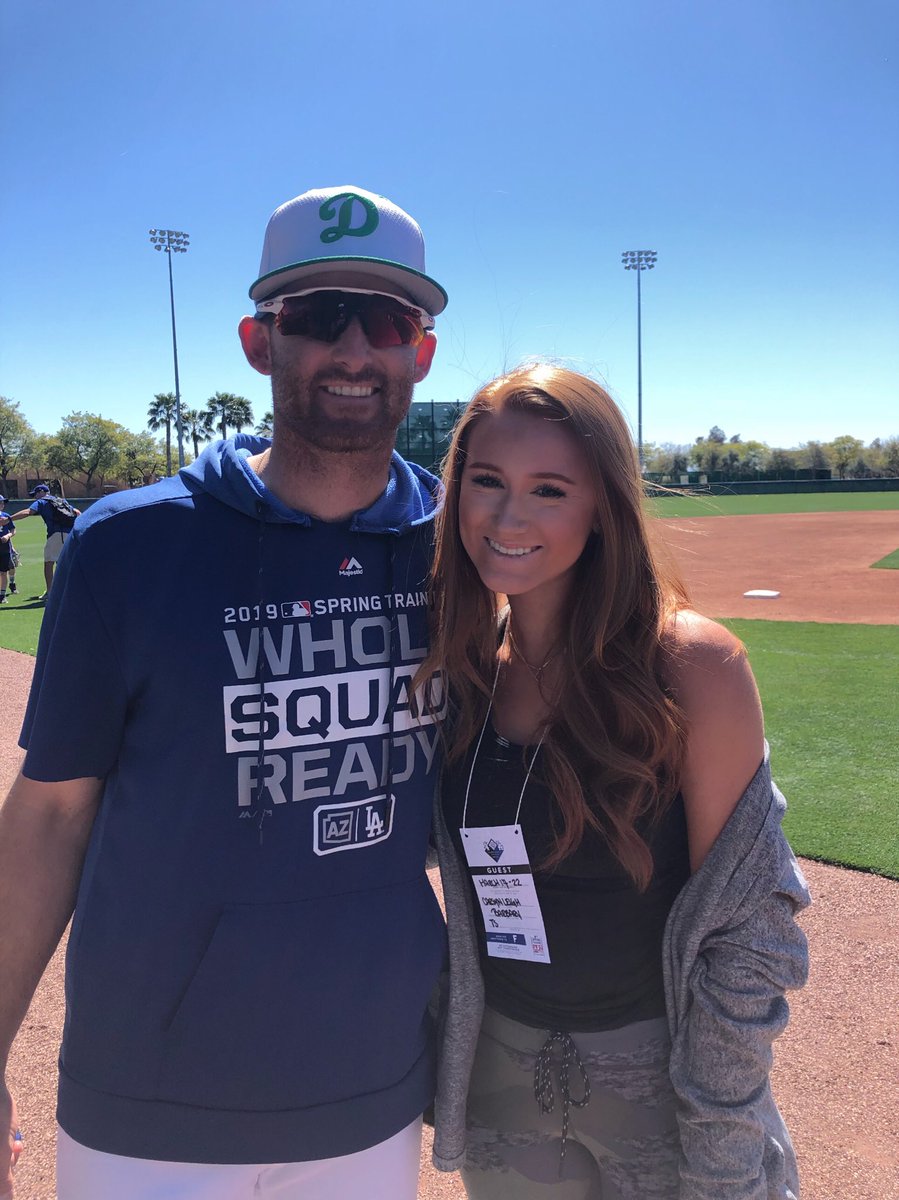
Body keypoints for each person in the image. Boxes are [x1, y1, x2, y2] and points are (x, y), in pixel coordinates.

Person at [0, 184, 448, 1200]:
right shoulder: (128, 545)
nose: (353, 348)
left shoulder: (459, 550)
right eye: (319, 314)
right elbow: (51, 817)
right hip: (147, 1102)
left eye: (386, 320)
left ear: (419, 354)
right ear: (259, 342)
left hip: (369, 1093)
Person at [421, 364, 811, 1199]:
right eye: (485, 481)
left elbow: (749, 928)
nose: (507, 516)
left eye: (548, 490)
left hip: (663, 1092)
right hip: (500, 1082)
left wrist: (721, 1141)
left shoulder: (689, 665)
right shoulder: (460, 672)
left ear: (602, 506)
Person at [9, 484, 81, 599]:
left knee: (48, 564)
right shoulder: (61, 500)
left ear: (41, 492)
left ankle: (50, 592)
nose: (35, 497)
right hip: (70, 534)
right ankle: (71, 591)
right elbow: (77, 512)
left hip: (56, 535)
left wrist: (9, 519)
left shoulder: (42, 501)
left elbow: (28, 512)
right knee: (64, 564)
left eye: (35, 494)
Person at [0, 504, 17, 603]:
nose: (1, 505)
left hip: (4, 546)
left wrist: (8, 536)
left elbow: (13, 530)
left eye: (2, 503)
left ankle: (2, 595)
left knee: (5, 571)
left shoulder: (6, 516)